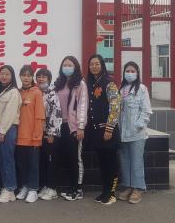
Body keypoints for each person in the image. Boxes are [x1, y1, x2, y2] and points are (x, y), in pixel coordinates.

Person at [85, 54, 121, 205]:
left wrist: (109, 128)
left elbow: (115, 105)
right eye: (91, 64)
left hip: (108, 131)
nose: (94, 67)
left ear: (102, 65)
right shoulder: (91, 83)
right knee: (102, 163)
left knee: (111, 163)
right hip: (96, 132)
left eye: (97, 64)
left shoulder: (109, 83)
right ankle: (105, 191)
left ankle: (111, 193)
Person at [117, 61, 153, 204]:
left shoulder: (142, 89)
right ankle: (128, 186)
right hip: (122, 132)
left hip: (137, 133)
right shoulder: (121, 90)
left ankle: (138, 188)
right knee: (125, 160)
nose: (130, 73)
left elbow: (146, 111)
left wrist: (138, 126)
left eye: (133, 71)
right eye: (127, 71)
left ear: (137, 73)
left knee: (136, 161)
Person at [54, 55, 88, 201]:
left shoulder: (80, 84)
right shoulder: (59, 83)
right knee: (67, 158)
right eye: (65, 65)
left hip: (73, 127)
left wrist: (80, 126)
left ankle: (78, 189)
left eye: (70, 65)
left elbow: (82, 106)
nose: (67, 67)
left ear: (75, 67)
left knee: (76, 158)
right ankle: (70, 187)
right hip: (60, 125)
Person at [15, 66, 47, 203]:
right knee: (22, 164)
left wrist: (37, 136)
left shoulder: (36, 93)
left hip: (32, 137)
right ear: (20, 76)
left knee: (33, 164)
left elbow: (40, 116)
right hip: (18, 137)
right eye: (24, 75)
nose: (26, 78)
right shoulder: (17, 92)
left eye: (29, 75)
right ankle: (25, 186)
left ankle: (33, 189)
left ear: (32, 77)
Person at [0, 65, 22, 203]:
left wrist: (2, 131)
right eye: (2, 74)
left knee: (7, 159)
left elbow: (10, 113)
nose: (4, 76)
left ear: (12, 77)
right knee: (2, 159)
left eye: (7, 74)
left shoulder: (14, 92)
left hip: (7, 129)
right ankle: (7, 188)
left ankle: (10, 189)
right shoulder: (0, 91)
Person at [35, 68, 62, 200]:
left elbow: (56, 113)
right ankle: (46, 186)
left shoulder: (52, 93)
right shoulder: (37, 93)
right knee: (44, 161)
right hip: (39, 133)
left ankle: (53, 188)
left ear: (49, 79)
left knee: (51, 161)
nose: (41, 79)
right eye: (39, 76)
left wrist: (51, 133)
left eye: (44, 77)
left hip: (50, 133)